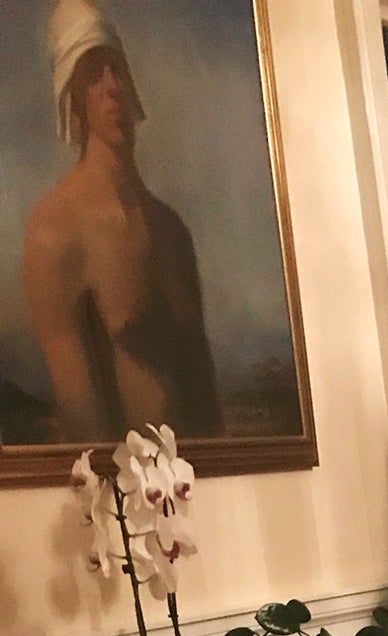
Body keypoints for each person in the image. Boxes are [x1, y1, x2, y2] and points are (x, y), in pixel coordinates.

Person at [23, 0, 222, 441]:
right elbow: (79, 412)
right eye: (93, 74)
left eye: (118, 69)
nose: (111, 86)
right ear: (72, 95)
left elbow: (204, 394)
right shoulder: (55, 231)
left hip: (195, 475)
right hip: (123, 481)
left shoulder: (171, 230)